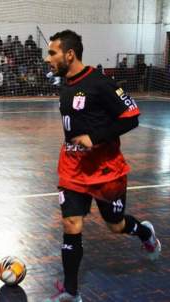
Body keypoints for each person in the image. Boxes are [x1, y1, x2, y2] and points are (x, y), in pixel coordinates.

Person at [44, 30, 161, 302]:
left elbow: (131, 118)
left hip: (106, 171)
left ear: (69, 54)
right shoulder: (65, 85)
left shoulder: (101, 83)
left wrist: (94, 138)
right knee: (71, 224)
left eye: (52, 53)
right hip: (72, 169)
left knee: (116, 226)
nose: (48, 58)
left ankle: (145, 232)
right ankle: (72, 293)